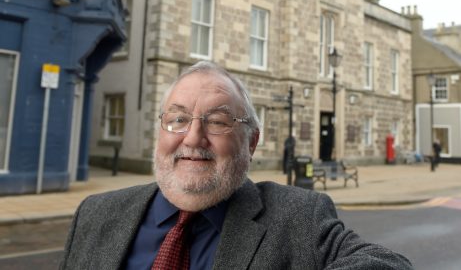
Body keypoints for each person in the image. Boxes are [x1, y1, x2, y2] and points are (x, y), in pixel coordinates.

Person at [60, 61, 413, 269]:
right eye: (178, 119)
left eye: (217, 121)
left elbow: (389, 265)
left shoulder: (298, 217)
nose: (193, 138)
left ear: (252, 142)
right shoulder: (95, 214)